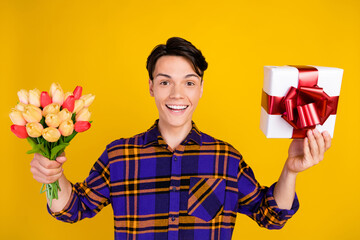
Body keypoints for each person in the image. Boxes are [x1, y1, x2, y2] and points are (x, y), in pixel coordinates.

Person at [30, 37, 331, 240]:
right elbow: (73, 209)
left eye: (189, 82)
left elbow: (271, 215)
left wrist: (290, 170)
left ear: (201, 89)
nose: (177, 94)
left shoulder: (225, 158)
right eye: (165, 82)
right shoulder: (119, 155)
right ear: (151, 87)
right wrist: (52, 176)